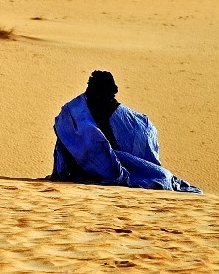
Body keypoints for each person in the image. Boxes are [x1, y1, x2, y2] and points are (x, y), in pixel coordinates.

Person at [50, 71, 201, 193]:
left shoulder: (128, 118)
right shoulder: (73, 112)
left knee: (162, 176)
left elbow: (143, 137)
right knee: (158, 177)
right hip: (80, 168)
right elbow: (63, 139)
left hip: (119, 163)